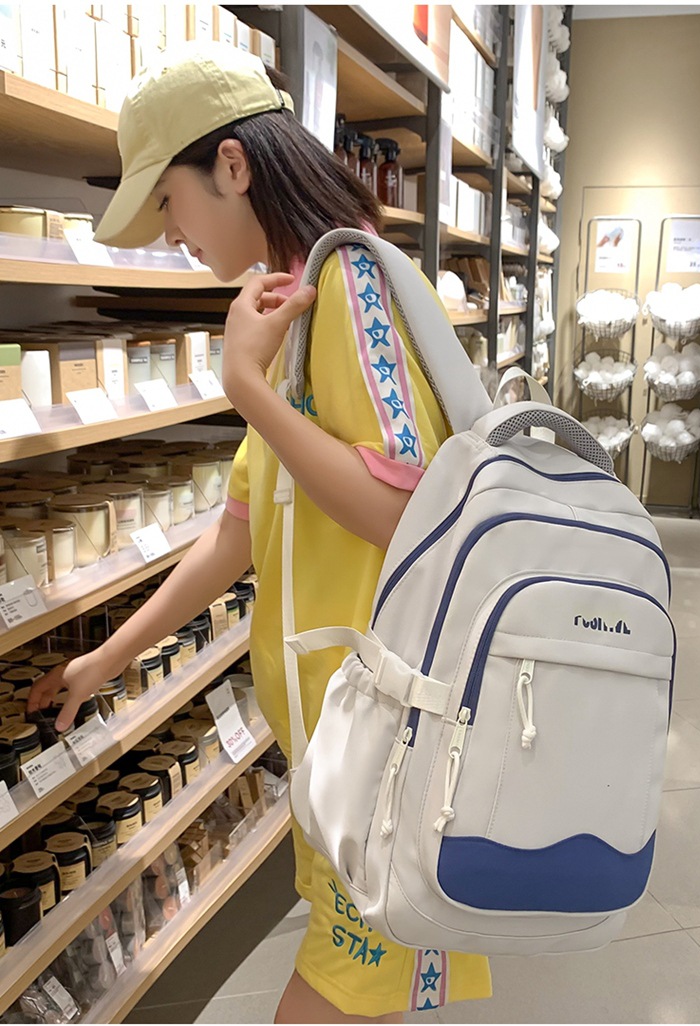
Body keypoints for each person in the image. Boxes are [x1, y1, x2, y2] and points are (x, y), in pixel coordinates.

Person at [28, 43, 492, 1023]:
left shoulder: (350, 287)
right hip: (340, 752)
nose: (169, 232)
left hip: (389, 757)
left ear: (233, 165)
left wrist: (244, 386)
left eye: (168, 201)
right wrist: (108, 657)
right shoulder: (290, 305)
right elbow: (236, 534)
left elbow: (407, 514)